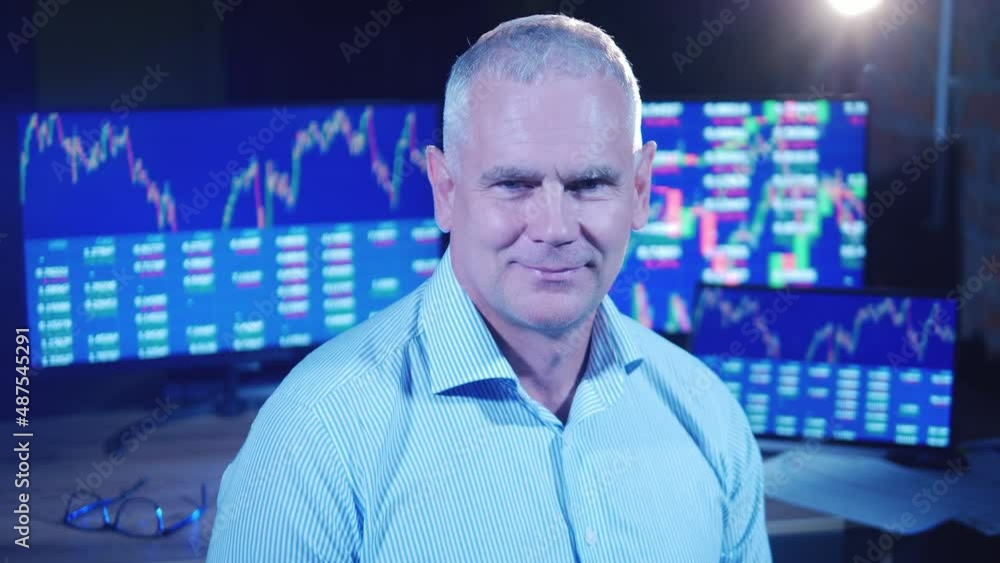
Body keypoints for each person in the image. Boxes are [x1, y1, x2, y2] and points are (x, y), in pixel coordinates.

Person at [207, 14, 771, 563]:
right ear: (445, 190)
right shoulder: (314, 434)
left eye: (590, 183)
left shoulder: (709, 416)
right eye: (513, 184)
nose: (553, 229)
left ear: (641, 189)